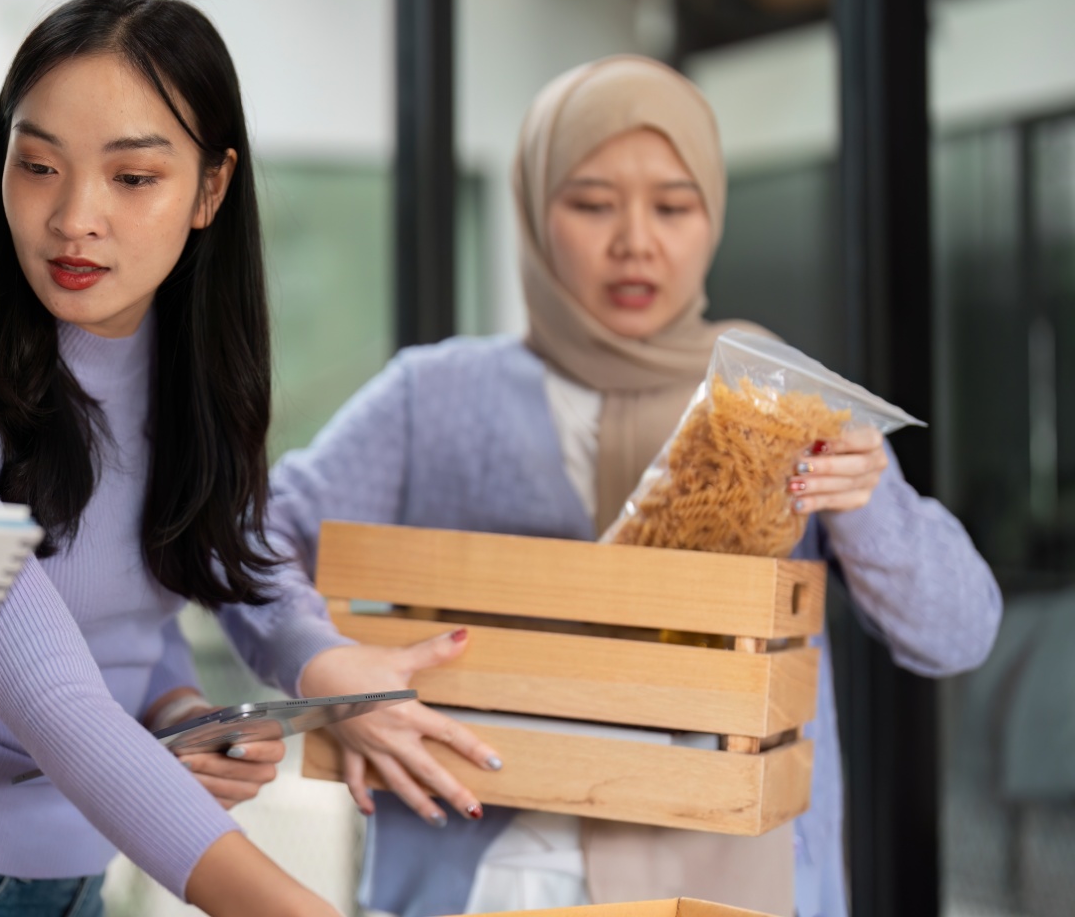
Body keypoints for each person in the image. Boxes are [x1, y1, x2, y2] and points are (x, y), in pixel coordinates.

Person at [0, 0, 500, 917]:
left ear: (211, 188)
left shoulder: (189, 367)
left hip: (77, 874)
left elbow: (169, 591)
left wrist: (198, 708)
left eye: (132, 177)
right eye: (38, 166)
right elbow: (51, 695)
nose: (75, 217)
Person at [242, 56, 1003, 917]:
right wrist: (325, 668)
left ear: (712, 215)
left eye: (674, 207)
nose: (635, 240)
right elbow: (244, 545)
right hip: (489, 878)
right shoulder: (435, 399)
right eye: (592, 203)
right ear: (534, 212)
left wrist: (872, 503)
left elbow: (958, 632)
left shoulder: (778, 405)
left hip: (733, 883)